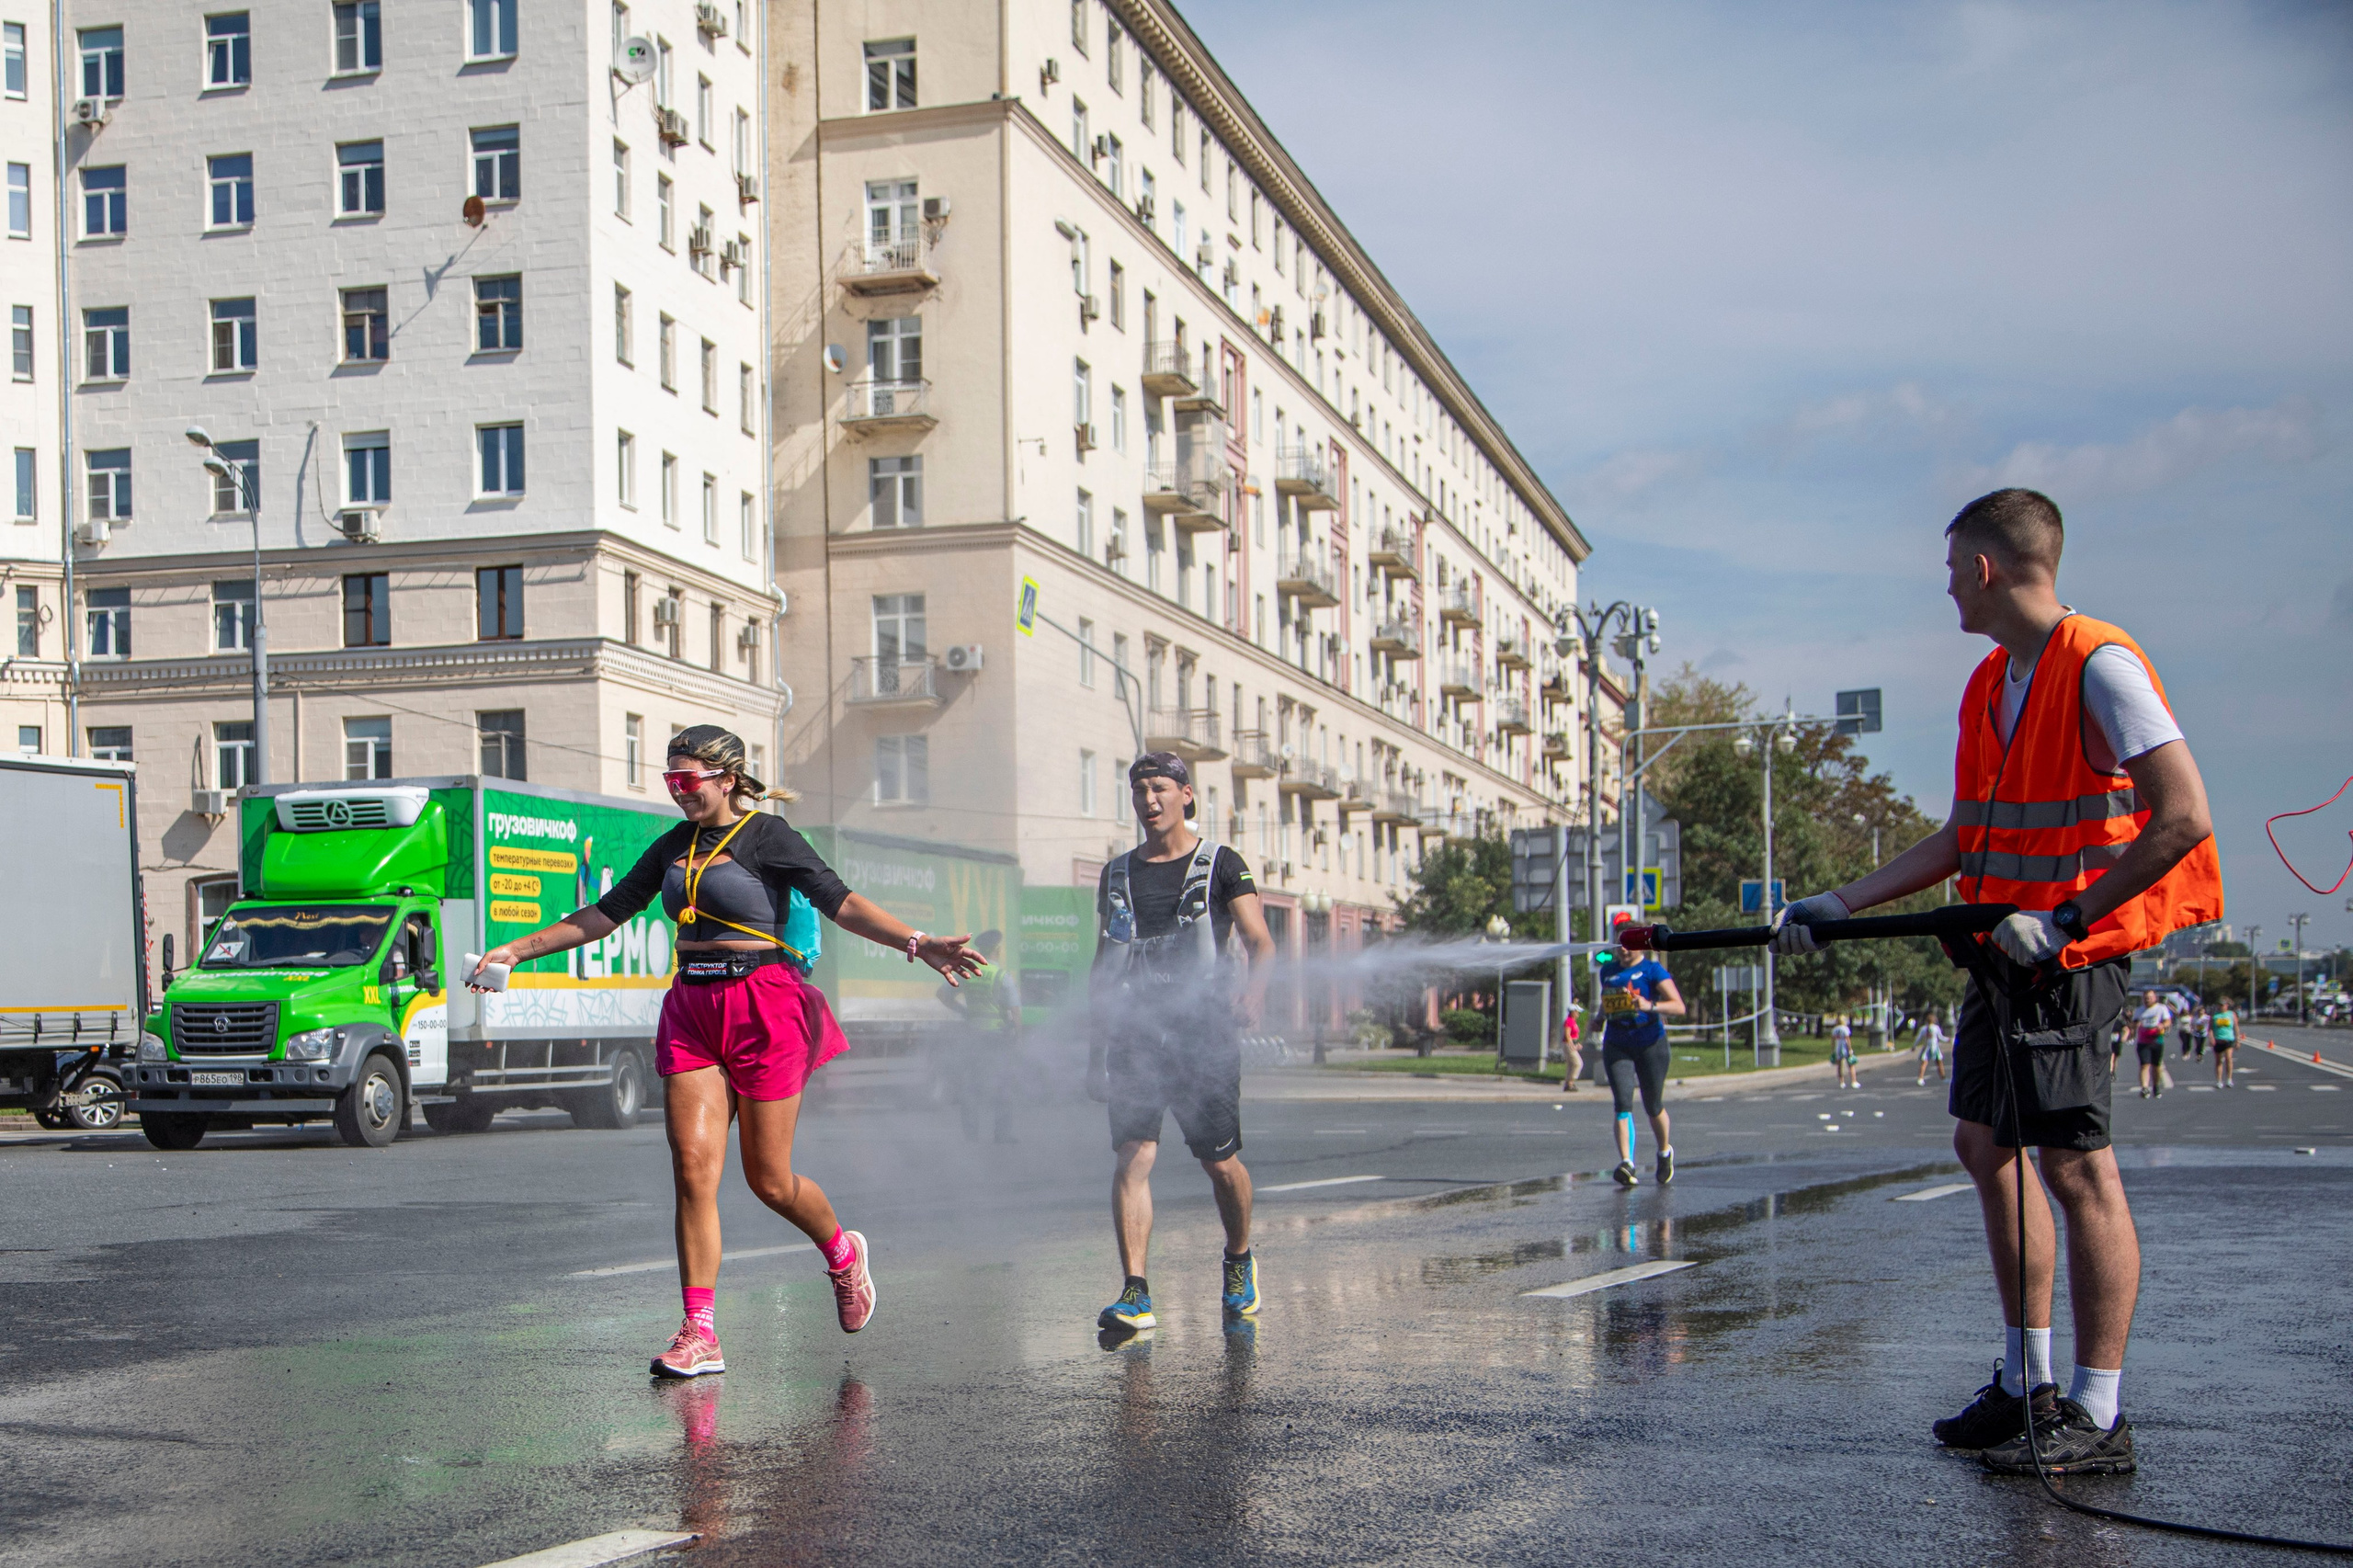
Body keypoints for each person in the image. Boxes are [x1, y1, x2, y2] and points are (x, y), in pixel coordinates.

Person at [1770, 489, 2221, 1477]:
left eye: (1948, 569)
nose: (1943, 588)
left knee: (2074, 1167)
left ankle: (2098, 1412)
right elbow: (1963, 835)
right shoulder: (1990, 683)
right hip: (1997, 954)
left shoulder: (2100, 662)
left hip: (2069, 956)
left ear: (1983, 566)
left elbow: (2181, 815)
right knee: (1985, 1144)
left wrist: (2063, 916)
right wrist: (1841, 902)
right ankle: (2026, 1385)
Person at [472, 726, 985, 1379]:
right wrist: (518, 949)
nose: (677, 791)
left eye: (686, 779)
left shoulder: (770, 837)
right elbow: (605, 913)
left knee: (769, 1179)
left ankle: (842, 1254)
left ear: (725, 776)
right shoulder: (671, 847)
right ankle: (701, 1332)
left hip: (763, 1006)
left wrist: (918, 942)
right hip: (692, 1009)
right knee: (692, 1170)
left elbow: (842, 903)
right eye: (670, 780)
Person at [1093, 754, 1278, 1334]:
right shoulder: (1117, 873)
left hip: (1204, 1034)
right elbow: (1104, 962)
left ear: (1186, 796)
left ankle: (1240, 1258)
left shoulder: (1222, 864)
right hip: (1137, 1035)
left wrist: (1253, 995)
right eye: (1140, 790)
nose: (1149, 800)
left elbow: (1260, 942)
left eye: (1160, 788)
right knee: (1134, 1155)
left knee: (1219, 1162)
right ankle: (1135, 1292)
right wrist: (1093, 1037)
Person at [1597, 932, 1687, 1186]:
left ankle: (1664, 1152)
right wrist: (1598, 1018)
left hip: (1650, 1043)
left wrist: (1650, 1006)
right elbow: (1607, 1001)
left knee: (1652, 1104)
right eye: (1621, 946)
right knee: (1622, 1103)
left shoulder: (1652, 970)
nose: (1624, 951)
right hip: (1617, 1043)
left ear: (1641, 948)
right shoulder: (1608, 971)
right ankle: (1627, 1163)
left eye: (1630, 947)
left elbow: (1679, 1006)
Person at [2131, 991, 2174, 1100]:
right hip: (2143, 1041)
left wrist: (2162, 1025)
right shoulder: (2139, 1010)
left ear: (2155, 998)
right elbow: (2133, 1023)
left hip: (2157, 1040)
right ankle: (2144, 1087)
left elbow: (2168, 1021)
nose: (2147, 1000)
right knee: (2144, 1065)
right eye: (2145, 998)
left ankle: (2156, 1086)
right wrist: (2135, 1026)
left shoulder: (2161, 1008)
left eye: (2150, 997)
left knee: (2156, 1066)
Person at [2210, 1001, 2240, 1087]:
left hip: (2229, 1039)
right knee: (2219, 1061)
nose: (2222, 1007)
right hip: (2218, 1040)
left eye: (2223, 1005)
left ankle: (2229, 1079)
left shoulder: (2231, 1014)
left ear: (2227, 1005)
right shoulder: (2215, 1015)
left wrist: (2238, 1040)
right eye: (2220, 1005)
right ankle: (2219, 1080)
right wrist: (2211, 1038)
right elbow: (2210, 1028)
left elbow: (2236, 1027)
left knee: (2228, 1059)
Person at [1915, 1013, 1949, 1086]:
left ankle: (1920, 1079)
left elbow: (1918, 1038)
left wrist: (1914, 1046)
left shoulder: (1924, 1028)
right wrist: (1948, 1040)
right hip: (1933, 1047)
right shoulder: (1935, 1028)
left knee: (1925, 1063)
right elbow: (1941, 1037)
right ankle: (1943, 1078)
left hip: (1928, 1047)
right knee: (1939, 1063)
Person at [1831, 1015, 1859, 1089]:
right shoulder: (1845, 1029)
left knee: (1840, 1066)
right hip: (1845, 1048)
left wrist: (1833, 1050)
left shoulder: (1835, 1029)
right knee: (1851, 1065)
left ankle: (1842, 1082)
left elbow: (1833, 1041)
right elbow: (1847, 1039)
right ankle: (1854, 1081)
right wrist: (1850, 1049)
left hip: (1838, 1048)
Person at [1560, 1008, 1585, 1092]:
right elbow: (1567, 1034)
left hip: (1572, 1043)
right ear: (1573, 1012)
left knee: (1571, 1064)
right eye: (1577, 1012)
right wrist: (1572, 1045)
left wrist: (1577, 1044)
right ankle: (1570, 1082)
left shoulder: (1573, 1022)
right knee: (1578, 1063)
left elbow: (1574, 1035)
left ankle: (1568, 1084)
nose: (1578, 1014)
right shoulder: (1569, 1021)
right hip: (1568, 1044)